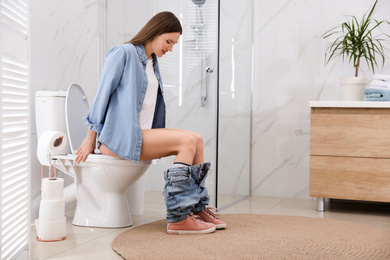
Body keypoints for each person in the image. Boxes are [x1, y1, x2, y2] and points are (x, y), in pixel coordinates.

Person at [75, 11, 225, 235]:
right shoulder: (123, 53)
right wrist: (90, 138)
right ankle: (179, 217)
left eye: (174, 44)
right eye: (168, 41)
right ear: (155, 32)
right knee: (186, 142)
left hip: (140, 135)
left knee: (197, 139)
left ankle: (196, 207)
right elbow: (101, 96)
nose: (171, 48)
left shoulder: (152, 62)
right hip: (119, 138)